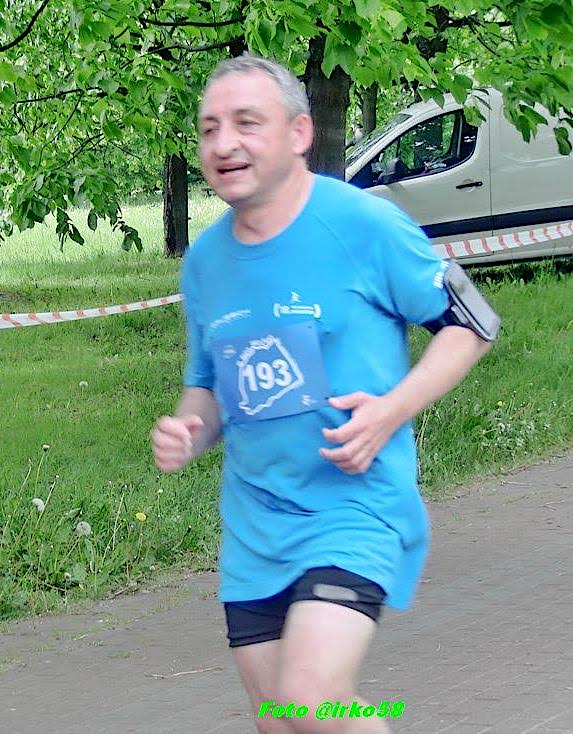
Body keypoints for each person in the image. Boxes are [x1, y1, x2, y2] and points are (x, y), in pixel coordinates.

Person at [151, 54, 499, 734]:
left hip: (352, 508)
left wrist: (390, 411)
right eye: (209, 128)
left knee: (312, 701)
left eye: (247, 123)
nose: (224, 143)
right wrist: (188, 428)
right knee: (282, 722)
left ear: (299, 133)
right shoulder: (206, 262)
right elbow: (209, 390)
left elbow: (472, 325)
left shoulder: (363, 224)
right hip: (255, 524)